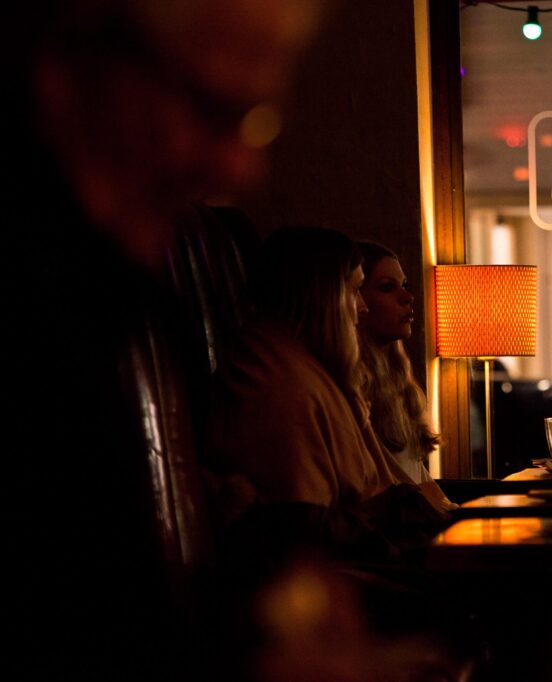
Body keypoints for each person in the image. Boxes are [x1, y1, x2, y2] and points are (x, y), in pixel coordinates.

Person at [3, 2, 324, 678]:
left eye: (255, 119)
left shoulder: (108, 293)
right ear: (68, 70)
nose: (242, 170)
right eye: (209, 109)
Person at [205, 228, 449, 571]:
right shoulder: (282, 382)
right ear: (322, 296)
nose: (362, 307)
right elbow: (302, 526)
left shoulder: (312, 370)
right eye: (354, 290)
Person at [357, 241, 456, 511]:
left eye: (404, 285)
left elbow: (420, 481)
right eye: (387, 287)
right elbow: (397, 488)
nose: (408, 297)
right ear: (354, 300)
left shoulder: (397, 381)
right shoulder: (354, 387)